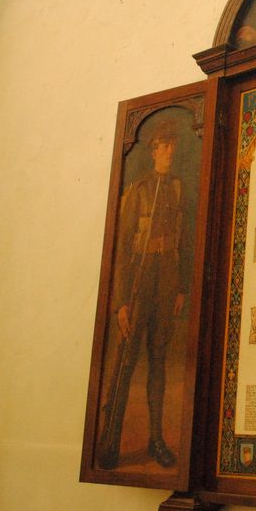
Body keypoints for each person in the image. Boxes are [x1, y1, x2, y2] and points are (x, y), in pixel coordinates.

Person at [97, 120, 190, 469]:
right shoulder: (137, 190)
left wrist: (181, 287)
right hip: (139, 280)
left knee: (158, 364)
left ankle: (156, 439)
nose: (169, 152)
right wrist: (121, 300)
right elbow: (122, 249)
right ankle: (110, 440)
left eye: (172, 147)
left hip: (166, 281)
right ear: (153, 152)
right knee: (124, 363)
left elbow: (185, 240)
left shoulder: (179, 189)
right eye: (164, 147)